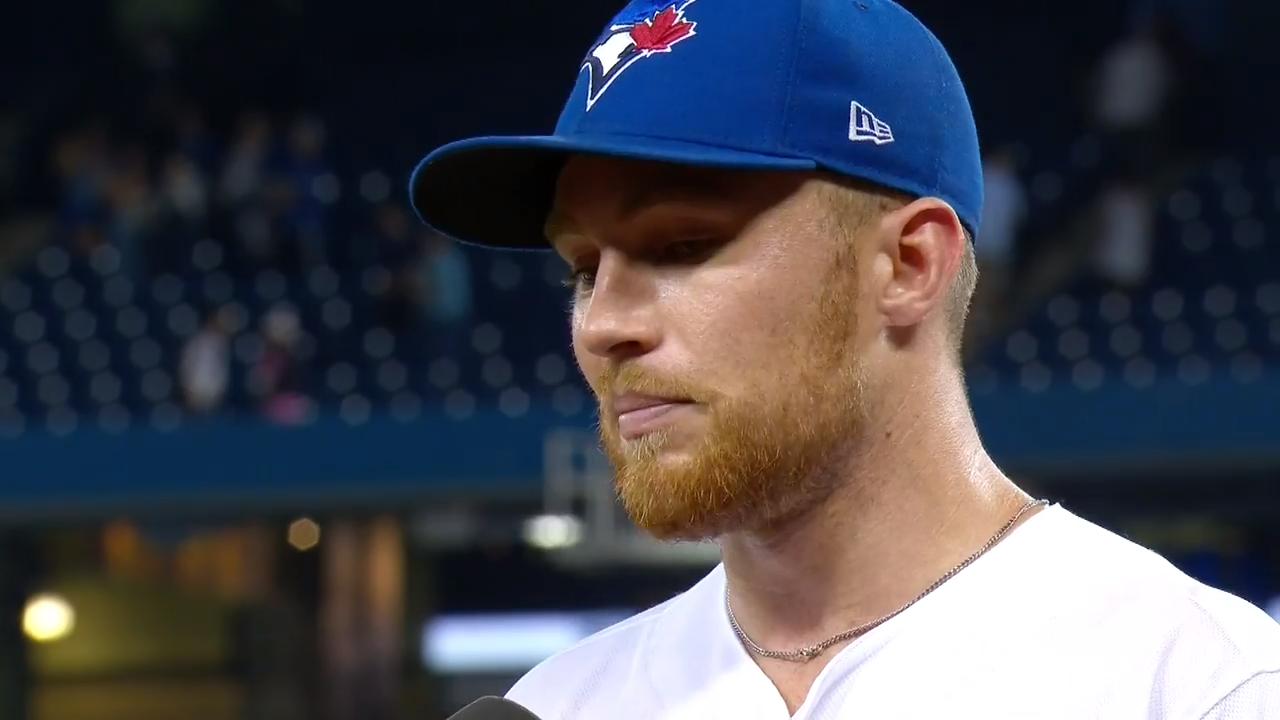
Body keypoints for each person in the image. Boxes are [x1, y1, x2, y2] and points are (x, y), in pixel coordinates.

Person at [407, 0, 1280, 717]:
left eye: (679, 246)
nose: (601, 326)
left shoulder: (1198, 684)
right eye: (583, 270)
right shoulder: (562, 707)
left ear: (907, 267)